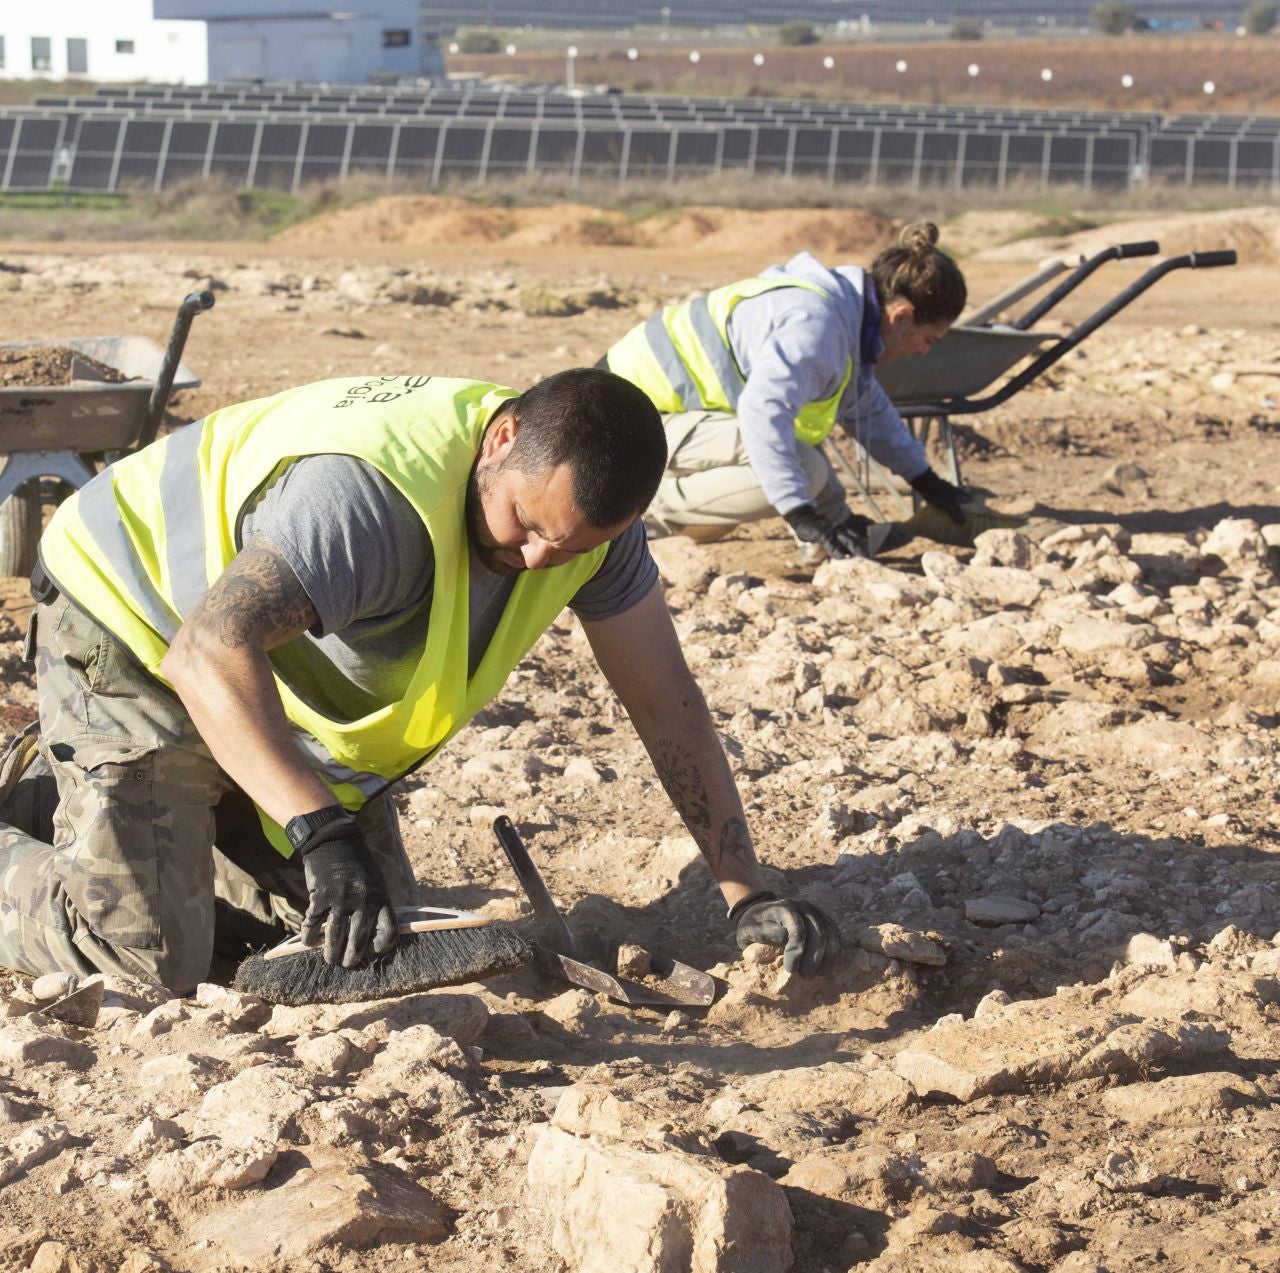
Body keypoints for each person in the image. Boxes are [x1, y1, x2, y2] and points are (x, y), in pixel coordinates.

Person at [0, 369, 838, 992]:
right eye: (526, 525)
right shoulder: (366, 501)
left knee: (359, 946)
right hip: (135, 624)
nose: (539, 560)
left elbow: (667, 704)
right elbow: (207, 650)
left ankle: (100, 806)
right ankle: (81, 786)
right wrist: (322, 836)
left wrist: (745, 893)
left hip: (260, 672)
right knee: (145, 960)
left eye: (572, 548)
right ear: (502, 440)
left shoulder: (590, 534)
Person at [601, 221, 970, 557]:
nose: (923, 352)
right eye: (928, 340)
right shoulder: (817, 328)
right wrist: (799, 512)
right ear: (901, 316)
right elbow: (763, 415)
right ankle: (634, 513)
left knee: (786, 466)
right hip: (616, 422)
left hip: (653, 417)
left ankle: (834, 529)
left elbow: (865, 406)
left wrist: (926, 481)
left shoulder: (845, 316)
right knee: (800, 469)